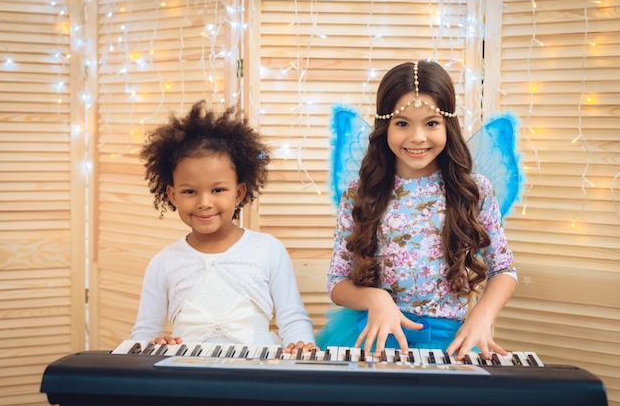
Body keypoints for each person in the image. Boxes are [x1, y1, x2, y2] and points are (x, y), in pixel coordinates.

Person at [316, 60, 517, 362]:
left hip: (449, 343)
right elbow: (337, 282)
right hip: (375, 340)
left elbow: (503, 269)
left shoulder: (474, 190)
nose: (418, 137)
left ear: (448, 124)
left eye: (431, 123)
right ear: (385, 126)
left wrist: (482, 316)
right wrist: (375, 297)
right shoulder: (360, 193)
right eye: (402, 123)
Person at [130, 100, 316, 354]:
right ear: (173, 196)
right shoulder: (163, 263)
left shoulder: (268, 249)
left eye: (218, 190)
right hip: (189, 377)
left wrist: (301, 348)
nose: (204, 203)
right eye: (190, 191)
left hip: (256, 375)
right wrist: (154, 345)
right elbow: (143, 336)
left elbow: (293, 319)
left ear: (239, 192)